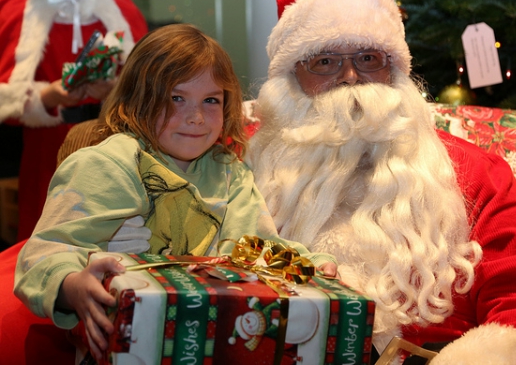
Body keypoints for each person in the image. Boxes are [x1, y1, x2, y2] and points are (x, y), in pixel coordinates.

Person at [246, 0, 516, 364]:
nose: (350, 76)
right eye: (325, 61)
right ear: (291, 81)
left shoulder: (473, 172)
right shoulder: (244, 168)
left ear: (395, 71)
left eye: (368, 59)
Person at [14, 23, 337, 362]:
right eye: (176, 98)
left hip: (207, 341)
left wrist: (310, 266)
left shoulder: (229, 172)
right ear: (138, 99)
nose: (196, 117)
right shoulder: (108, 164)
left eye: (210, 100)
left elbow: (254, 246)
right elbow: (46, 252)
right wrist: (71, 286)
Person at [0, 0, 148, 243]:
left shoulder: (121, 9)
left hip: (119, 147)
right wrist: (48, 97)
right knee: (49, 246)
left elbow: (153, 87)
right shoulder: (13, 12)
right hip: (48, 155)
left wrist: (114, 89)